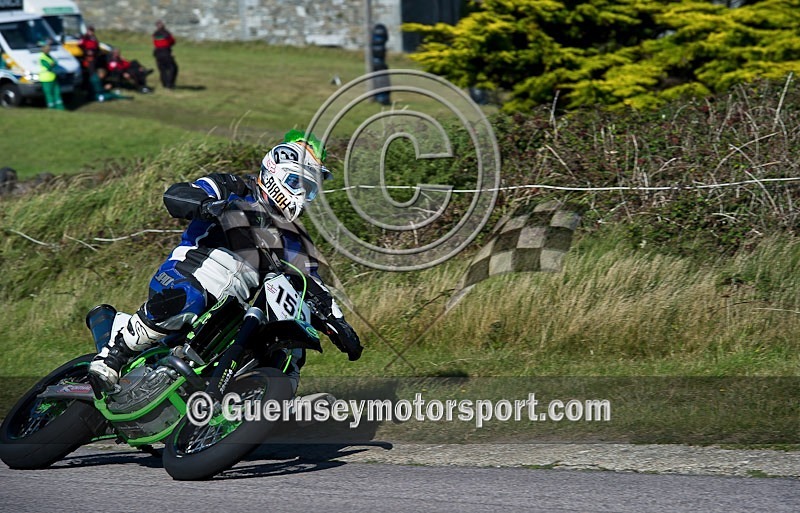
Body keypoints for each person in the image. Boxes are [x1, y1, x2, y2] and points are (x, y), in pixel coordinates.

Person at [88, 131, 363, 395]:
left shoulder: (293, 238)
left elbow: (309, 282)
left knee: (287, 338)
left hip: (231, 307)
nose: (301, 195)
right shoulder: (233, 187)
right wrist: (213, 207)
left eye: (309, 189)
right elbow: (177, 194)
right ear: (274, 171)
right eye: (295, 183)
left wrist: (337, 323)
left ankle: (259, 404)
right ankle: (112, 357)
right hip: (186, 275)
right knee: (190, 298)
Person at [152, 20, 178, 89]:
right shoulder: (166, 34)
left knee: (162, 69)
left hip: (157, 52)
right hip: (165, 52)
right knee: (173, 68)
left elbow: (155, 43)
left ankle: (165, 84)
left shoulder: (154, 34)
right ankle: (170, 84)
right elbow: (172, 41)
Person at [39, 42, 64, 110]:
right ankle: (51, 108)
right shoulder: (42, 57)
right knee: (49, 94)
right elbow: (48, 66)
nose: (48, 50)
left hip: (53, 77)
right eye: (47, 48)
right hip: (46, 79)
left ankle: (60, 108)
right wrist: (52, 64)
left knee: (57, 92)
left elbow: (55, 62)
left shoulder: (49, 56)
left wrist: (53, 64)